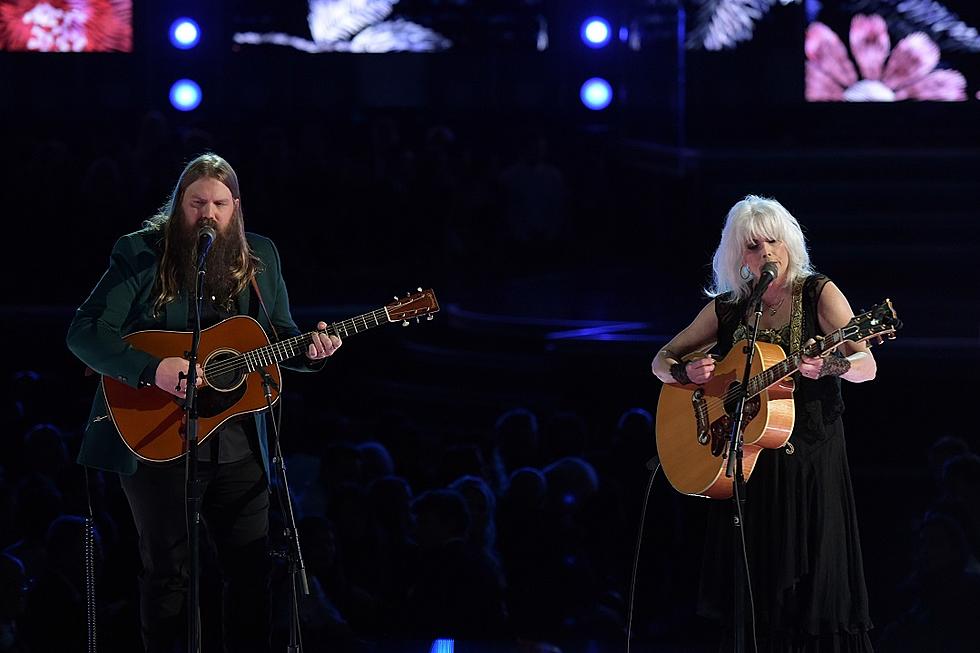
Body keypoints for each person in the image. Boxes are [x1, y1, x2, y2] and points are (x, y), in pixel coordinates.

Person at [66, 153, 342, 653]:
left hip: (237, 442)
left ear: (235, 207)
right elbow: (85, 334)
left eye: (218, 204)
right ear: (179, 206)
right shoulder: (142, 252)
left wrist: (312, 351)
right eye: (197, 204)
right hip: (155, 435)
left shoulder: (260, 256)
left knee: (251, 569)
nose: (208, 215)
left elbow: (277, 338)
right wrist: (154, 369)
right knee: (167, 571)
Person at [651, 195, 877, 651]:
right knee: (753, 598)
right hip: (747, 467)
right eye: (753, 246)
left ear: (789, 242)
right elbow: (660, 360)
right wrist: (685, 373)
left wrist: (829, 365)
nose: (766, 253)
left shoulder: (818, 292)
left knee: (807, 593)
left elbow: (866, 365)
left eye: (773, 241)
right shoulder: (730, 309)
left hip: (809, 464)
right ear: (738, 257)